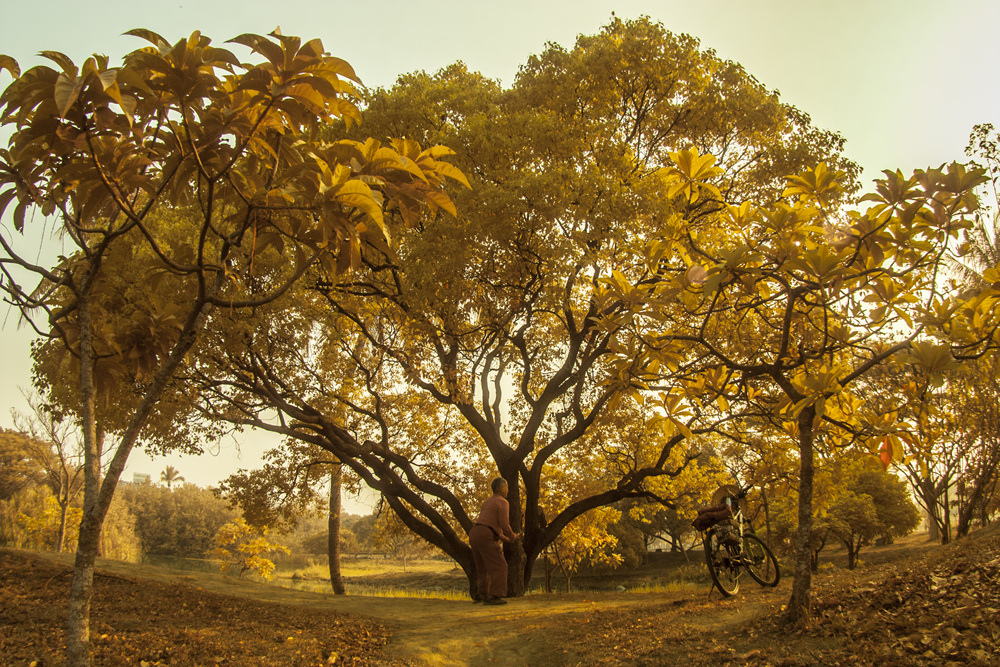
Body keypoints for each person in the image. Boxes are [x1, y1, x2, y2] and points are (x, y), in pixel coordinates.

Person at [469, 477, 519, 605]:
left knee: (483, 567)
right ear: (501, 488)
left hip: (475, 533)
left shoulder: (487, 502)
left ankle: (482, 594)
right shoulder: (503, 502)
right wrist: (512, 537)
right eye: (506, 487)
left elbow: (490, 525)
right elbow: (504, 525)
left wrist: (505, 539)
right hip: (485, 534)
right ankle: (494, 596)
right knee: (500, 565)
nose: (508, 490)